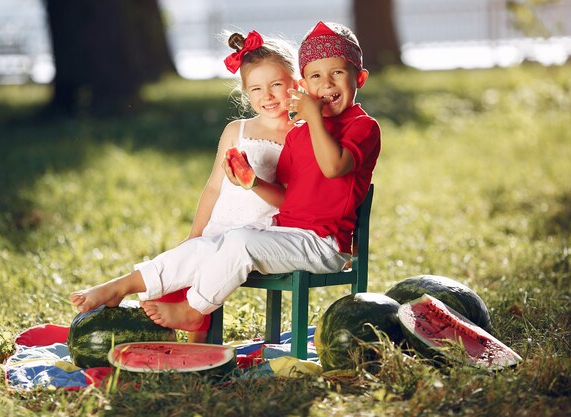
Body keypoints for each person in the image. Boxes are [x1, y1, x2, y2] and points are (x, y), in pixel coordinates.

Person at [69, 21, 381, 336]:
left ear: (360, 78)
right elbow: (288, 197)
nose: (326, 84)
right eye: (316, 76)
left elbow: (334, 167)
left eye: (337, 74)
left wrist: (312, 116)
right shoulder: (299, 134)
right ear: (305, 84)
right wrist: (254, 183)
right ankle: (123, 285)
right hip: (287, 236)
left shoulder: (363, 127)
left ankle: (194, 310)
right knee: (208, 246)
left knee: (240, 240)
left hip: (323, 245)